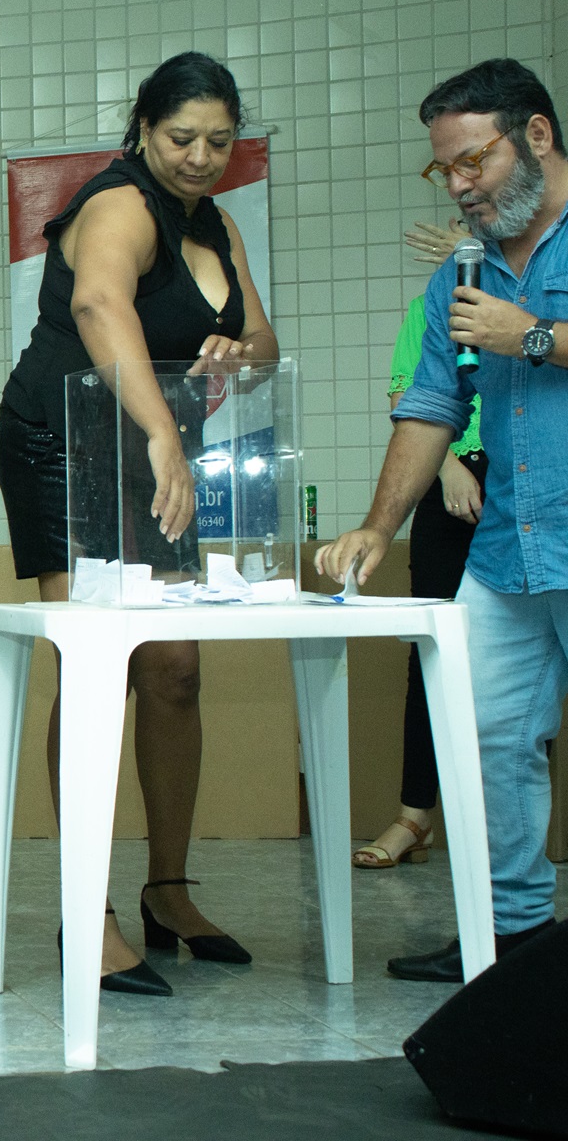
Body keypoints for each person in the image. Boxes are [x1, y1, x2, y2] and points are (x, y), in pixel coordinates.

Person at [0, 52, 278, 997]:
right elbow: (96, 303)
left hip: (153, 453)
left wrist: (238, 351)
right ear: (143, 130)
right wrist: (164, 434)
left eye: (219, 141)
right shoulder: (118, 203)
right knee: (95, 664)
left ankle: (168, 889)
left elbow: (263, 340)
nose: (201, 157)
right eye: (181, 138)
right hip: (64, 439)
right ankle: (89, 909)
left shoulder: (217, 224)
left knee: (174, 667)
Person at [317, 58, 568, 982]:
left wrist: (530, 336)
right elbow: (428, 407)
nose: (459, 186)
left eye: (473, 161)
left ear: (536, 135)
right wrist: (378, 527)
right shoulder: (457, 280)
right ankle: (511, 943)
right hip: (507, 554)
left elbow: (523, 344)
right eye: (444, 169)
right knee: (484, 740)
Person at [351, 274, 486, 871]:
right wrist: (449, 468)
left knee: (526, 645)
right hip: (448, 476)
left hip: (522, 481)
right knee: (430, 651)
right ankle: (415, 816)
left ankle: (504, 833)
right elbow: (410, 396)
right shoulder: (428, 305)